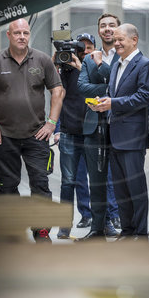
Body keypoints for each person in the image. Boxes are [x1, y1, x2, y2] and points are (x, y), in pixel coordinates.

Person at [0, 18, 63, 242]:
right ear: (8, 35)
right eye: (17, 33)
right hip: (4, 137)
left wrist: (51, 123)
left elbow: (58, 91)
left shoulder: (42, 60)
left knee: (40, 185)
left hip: (36, 136)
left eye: (25, 32)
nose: (22, 36)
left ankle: (41, 231)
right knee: (6, 186)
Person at [93, 23, 149, 240]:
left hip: (132, 138)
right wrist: (102, 103)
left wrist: (113, 103)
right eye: (115, 39)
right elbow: (114, 95)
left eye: (121, 39)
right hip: (114, 137)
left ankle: (141, 234)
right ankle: (128, 232)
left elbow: (144, 97)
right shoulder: (116, 64)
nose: (116, 43)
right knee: (121, 191)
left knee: (136, 189)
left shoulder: (144, 64)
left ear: (134, 40)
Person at [77, 13, 121, 240]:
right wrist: (104, 89)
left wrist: (101, 66)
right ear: (99, 30)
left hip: (119, 126)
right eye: (103, 26)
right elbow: (82, 87)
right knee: (96, 180)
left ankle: (124, 226)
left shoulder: (124, 56)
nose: (107, 29)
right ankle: (98, 228)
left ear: (119, 29)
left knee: (120, 180)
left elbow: (119, 88)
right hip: (93, 126)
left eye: (111, 25)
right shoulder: (88, 58)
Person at [54, 32, 96, 239]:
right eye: (80, 49)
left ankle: (100, 224)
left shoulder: (96, 67)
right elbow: (55, 94)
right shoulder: (64, 70)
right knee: (68, 182)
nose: (83, 52)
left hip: (92, 133)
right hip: (70, 132)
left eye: (87, 48)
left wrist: (81, 67)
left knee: (97, 180)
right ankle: (64, 226)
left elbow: (100, 89)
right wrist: (57, 65)